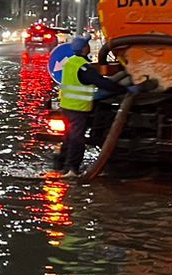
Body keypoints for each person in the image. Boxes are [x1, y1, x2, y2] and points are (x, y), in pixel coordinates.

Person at [54, 34, 138, 178]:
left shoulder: (70, 63)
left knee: (69, 137)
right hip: (77, 109)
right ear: (85, 49)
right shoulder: (84, 68)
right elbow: (103, 83)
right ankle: (72, 170)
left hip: (67, 107)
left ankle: (62, 166)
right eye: (87, 45)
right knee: (77, 139)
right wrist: (126, 90)